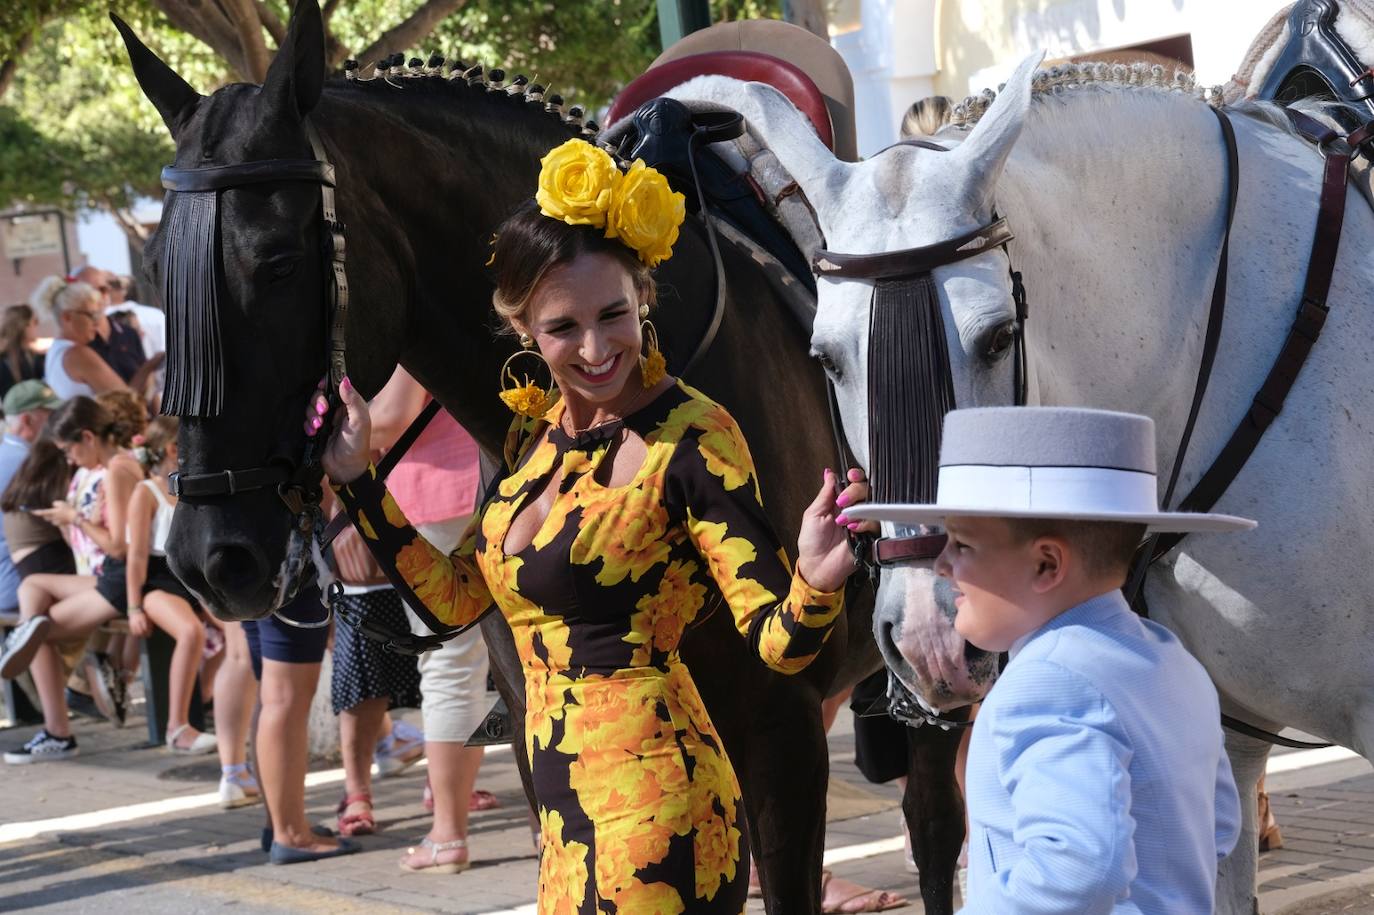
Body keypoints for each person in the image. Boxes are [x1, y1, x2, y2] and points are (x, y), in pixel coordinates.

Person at [317, 138, 863, 908]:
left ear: (643, 296)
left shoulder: (693, 436)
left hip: (661, 815)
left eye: (615, 314)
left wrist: (815, 576)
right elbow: (457, 601)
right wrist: (360, 483)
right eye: (564, 327)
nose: (597, 346)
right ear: (525, 331)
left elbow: (779, 645)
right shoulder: (529, 441)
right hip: (566, 826)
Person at [847, 406, 1248, 913]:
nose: (942, 564)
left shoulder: (1048, 680)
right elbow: (1217, 825)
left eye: (963, 545)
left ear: (1046, 563)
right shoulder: (1171, 659)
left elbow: (1079, 871)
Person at [366, 366, 492, 873]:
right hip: (509, 483)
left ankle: (447, 834)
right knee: (524, 666)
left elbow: (391, 418)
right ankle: (542, 824)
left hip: (437, 498)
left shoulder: (417, 310)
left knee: (449, 670)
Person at [122, 415, 216, 753]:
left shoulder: (191, 484)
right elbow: (135, 557)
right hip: (158, 580)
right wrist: (133, 605)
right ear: (173, 449)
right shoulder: (145, 491)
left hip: (193, 575)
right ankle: (177, 727)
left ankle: (207, 696)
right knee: (191, 632)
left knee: (242, 627)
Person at [0, 382, 63, 611]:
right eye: (51, 415)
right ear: (27, 420)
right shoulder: (28, 462)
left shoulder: (8, 452)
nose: (59, 422)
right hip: (17, 582)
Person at [29, 277, 128, 399]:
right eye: (91, 315)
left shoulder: (56, 350)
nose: (96, 322)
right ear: (67, 317)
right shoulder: (77, 354)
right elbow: (127, 401)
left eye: (97, 315)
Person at [0, 305, 46, 397]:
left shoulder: (35, 357)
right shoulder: (4, 362)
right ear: (25, 326)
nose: (37, 326)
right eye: (35, 321)